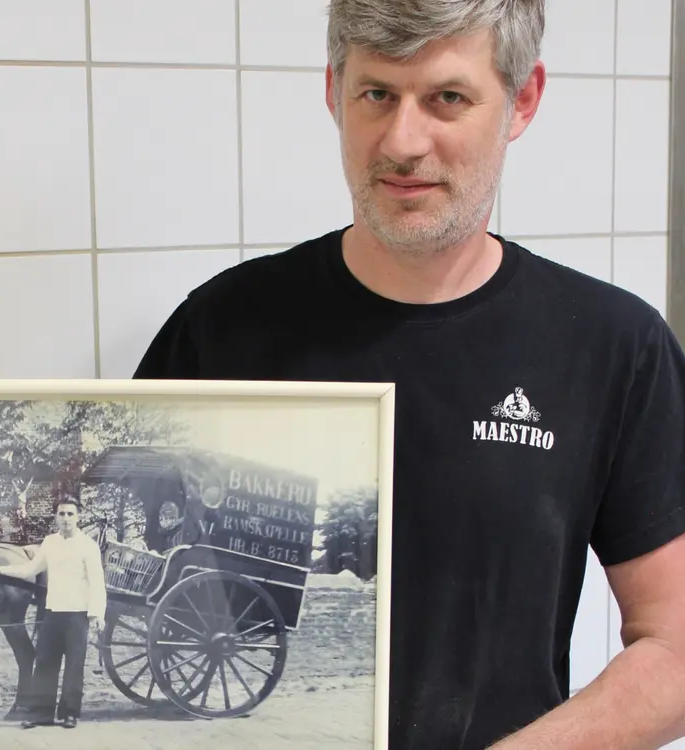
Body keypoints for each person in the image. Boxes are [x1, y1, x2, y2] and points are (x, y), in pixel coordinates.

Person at [133, 1, 685, 748]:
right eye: (377, 95)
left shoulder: (616, 345)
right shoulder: (218, 327)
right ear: (335, 93)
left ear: (522, 100)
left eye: (447, 99)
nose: (402, 141)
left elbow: (673, 646)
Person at [0, 497, 106, 729]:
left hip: (77, 614)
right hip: (52, 612)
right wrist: (0, 569)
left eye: (70, 514)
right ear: (56, 517)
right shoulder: (49, 542)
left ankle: (69, 713)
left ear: (78, 517)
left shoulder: (88, 546)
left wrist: (97, 613)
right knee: (45, 662)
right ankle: (41, 713)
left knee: (74, 665)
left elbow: (97, 581)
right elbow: (30, 569)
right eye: (62, 514)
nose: (66, 519)